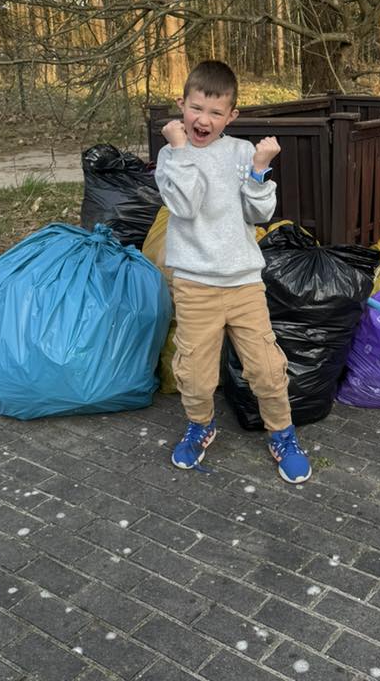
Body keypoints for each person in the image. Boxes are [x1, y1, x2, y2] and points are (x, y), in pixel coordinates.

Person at [154, 60, 312, 484]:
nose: (203, 120)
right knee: (196, 372)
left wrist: (260, 168)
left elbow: (259, 212)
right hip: (194, 286)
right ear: (181, 105)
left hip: (244, 284)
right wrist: (181, 150)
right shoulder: (171, 156)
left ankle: (283, 433)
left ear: (231, 116)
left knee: (265, 366)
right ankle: (201, 425)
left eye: (215, 112)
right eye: (195, 108)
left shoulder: (242, 152)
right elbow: (184, 206)